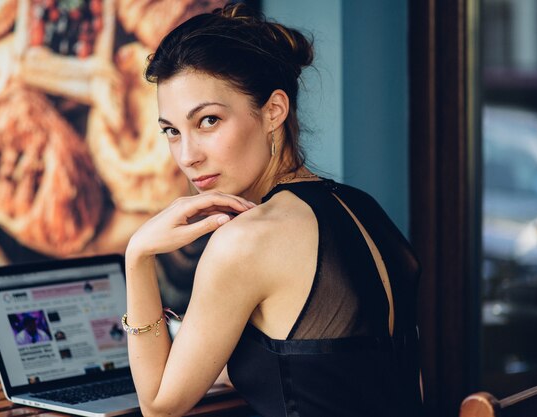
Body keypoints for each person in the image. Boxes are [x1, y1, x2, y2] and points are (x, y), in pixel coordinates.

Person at [123, 3, 423, 417]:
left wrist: (138, 256)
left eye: (208, 121)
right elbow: (343, 369)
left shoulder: (246, 241)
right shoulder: (361, 206)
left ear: (273, 112)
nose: (187, 155)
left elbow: (158, 404)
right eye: (172, 131)